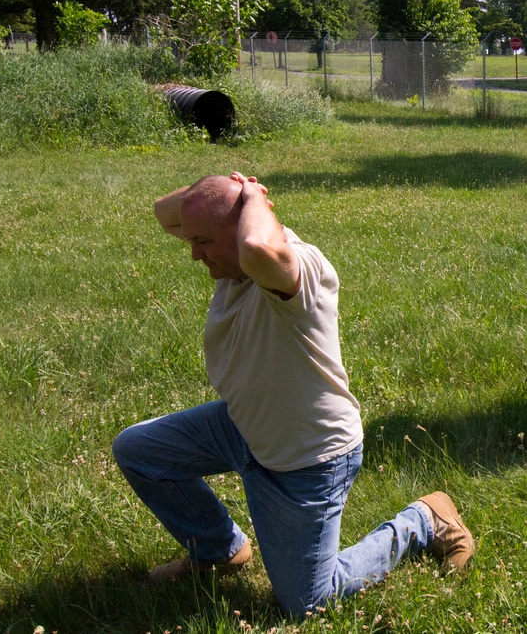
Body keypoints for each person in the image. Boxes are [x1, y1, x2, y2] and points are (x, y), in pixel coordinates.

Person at [112, 173, 474, 617]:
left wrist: (249, 198)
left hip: (307, 459)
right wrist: (230, 185)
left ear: (242, 228)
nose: (193, 255)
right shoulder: (234, 260)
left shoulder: (294, 270)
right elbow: (163, 211)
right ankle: (218, 549)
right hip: (246, 428)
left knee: (307, 602)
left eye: (203, 241)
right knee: (138, 450)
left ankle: (423, 521)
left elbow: (261, 248)